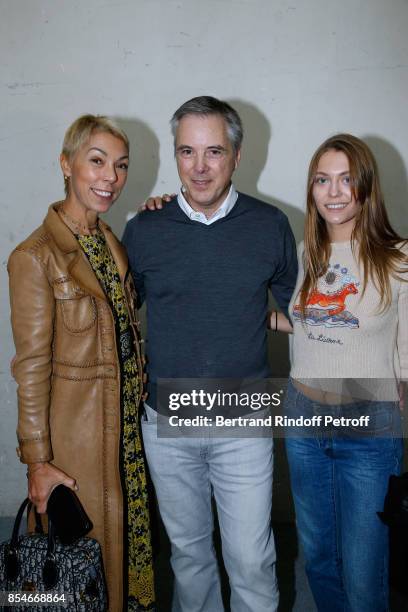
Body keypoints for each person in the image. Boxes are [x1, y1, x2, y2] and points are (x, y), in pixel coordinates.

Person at [122, 95, 298, 612]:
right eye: (187, 152)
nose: (199, 168)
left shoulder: (270, 226)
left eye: (214, 152)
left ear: (237, 157)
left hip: (243, 418)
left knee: (250, 556)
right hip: (166, 421)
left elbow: (304, 313)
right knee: (189, 554)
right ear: (175, 156)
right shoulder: (145, 228)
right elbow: (117, 319)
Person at [8, 115, 155, 612]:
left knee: (124, 566)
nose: (109, 177)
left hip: (124, 440)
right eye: (96, 161)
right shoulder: (35, 255)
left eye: (120, 165)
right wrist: (38, 461)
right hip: (77, 444)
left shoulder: (112, 245)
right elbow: (29, 367)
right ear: (66, 164)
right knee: (78, 578)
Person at [272, 133, 407, 611]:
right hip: (304, 420)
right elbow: (310, 322)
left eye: (346, 180)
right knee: (319, 561)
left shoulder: (400, 260)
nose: (333, 192)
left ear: (365, 188)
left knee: (364, 573)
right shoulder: (306, 254)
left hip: (369, 427)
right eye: (322, 180)